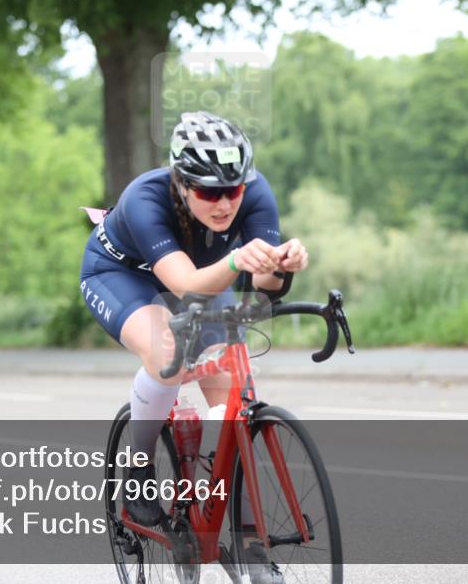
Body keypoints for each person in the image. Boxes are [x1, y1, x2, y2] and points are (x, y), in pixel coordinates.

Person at [79, 111, 308, 583]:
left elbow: (264, 282)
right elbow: (184, 284)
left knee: (234, 401)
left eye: (234, 190)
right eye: (208, 192)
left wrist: (283, 263)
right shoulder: (145, 197)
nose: (224, 204)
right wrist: (237, 259)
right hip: (124, 275)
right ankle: (138, 476)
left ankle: (249, 542)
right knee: (167, 356)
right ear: (182, 184)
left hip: (209, 273)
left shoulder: (256, 192)